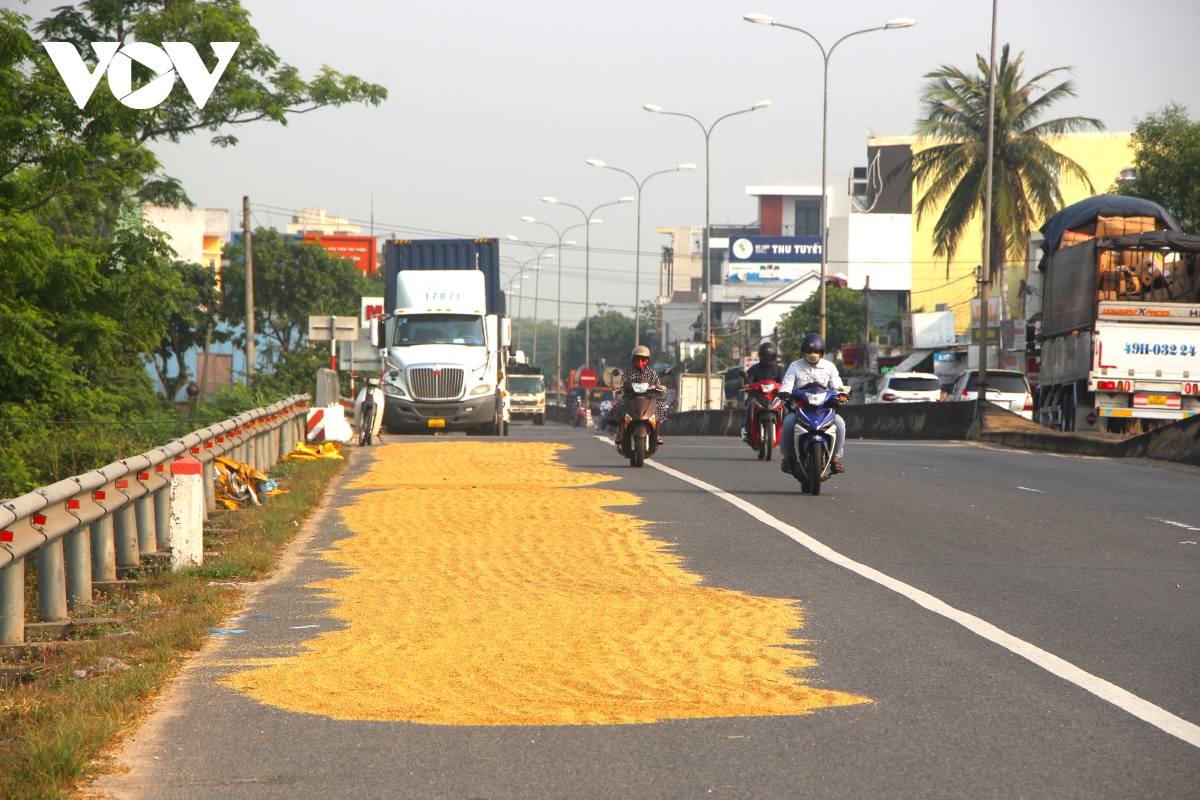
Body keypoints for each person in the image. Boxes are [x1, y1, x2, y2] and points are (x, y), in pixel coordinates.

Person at [778, 333, 848, 475]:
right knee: (788, 423)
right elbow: (787, 384)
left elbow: (837, 385)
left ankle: (835, 459)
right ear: (803, 352)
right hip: (801, 408)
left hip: (825, 409)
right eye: (809, 351)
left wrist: (841, 394)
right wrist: (784, 392)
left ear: (821, 353)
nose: (812, 354)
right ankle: (787, 458)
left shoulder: (829, 367)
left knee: (840, 424)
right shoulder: (795, 366)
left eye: (816, 351)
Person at [605, 345, 669, 444]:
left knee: (660, 407)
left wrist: (661, 387)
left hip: (648, 400)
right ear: (633, 359)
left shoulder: (652, 372)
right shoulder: (628, 372)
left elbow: (657, 384)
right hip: (631, 399)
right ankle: (619, 431)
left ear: (648, 360)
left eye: (643, 359)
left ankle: (656, 433)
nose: (640, 361)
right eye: (637, 358)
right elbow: (623, 384)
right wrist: (620, 389)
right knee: (618, 407)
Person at [741, 341, 786, 443]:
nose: (768, 358)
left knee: (785, 408)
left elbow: (784, 380)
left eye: (770, 356)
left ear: (774, 357)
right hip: (758, 397)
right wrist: (747, 384)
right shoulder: (754, 369)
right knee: (750, 406)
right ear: (760, 357)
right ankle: (748, 433)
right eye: (765, 356)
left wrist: (785, 388)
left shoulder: (779, 369)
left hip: (775, 397)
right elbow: (749, 379)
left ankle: (786, 431)